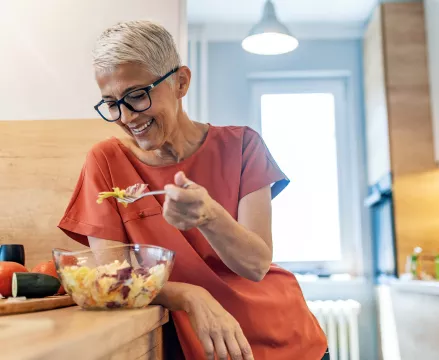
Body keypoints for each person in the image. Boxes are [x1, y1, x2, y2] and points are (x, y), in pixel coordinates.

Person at [58, 20, 327, 360]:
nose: (125, 116)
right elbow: (116, 280)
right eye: (111, 103)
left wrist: (210, 215)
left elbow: (256, 265)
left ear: (180, 82)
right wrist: (190, 295)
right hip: (200, 342)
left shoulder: (243, 145)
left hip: (285, 337)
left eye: (137, 95)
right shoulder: (106, 161)